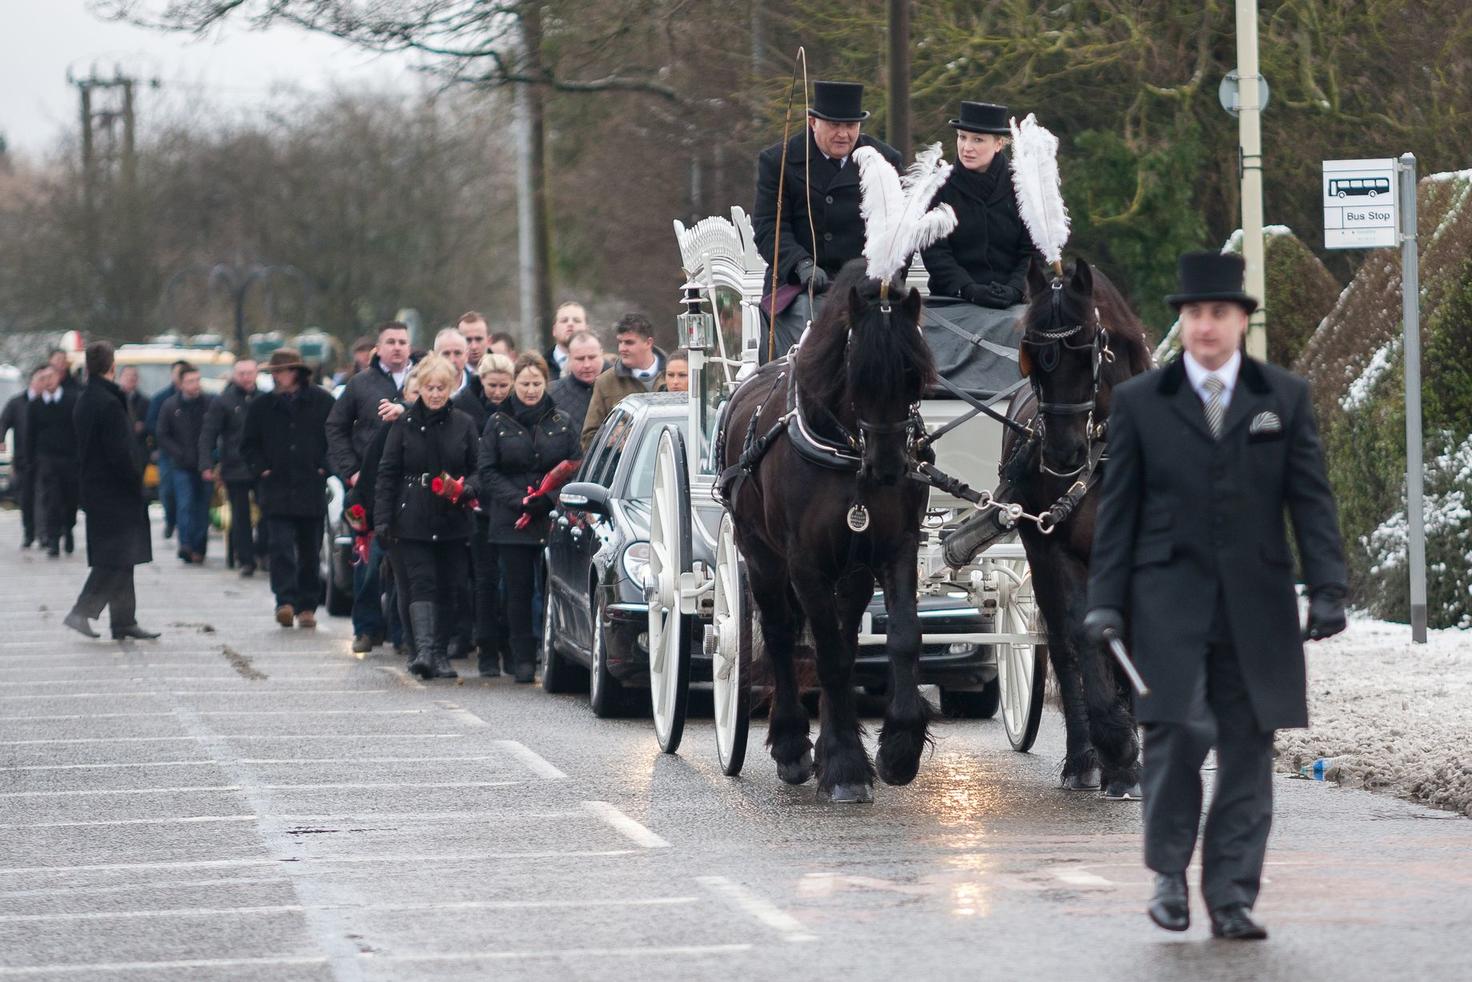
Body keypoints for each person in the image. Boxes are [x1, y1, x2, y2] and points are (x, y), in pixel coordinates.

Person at [1084, 251, 1348, 941]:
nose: (1207, 326)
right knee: (1177, 736)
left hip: (1257, 606)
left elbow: (1311, 502)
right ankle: (1169, 876)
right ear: (1182, 319)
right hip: (1165, 600)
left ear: (1240, 322)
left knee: (1247, 750)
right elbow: (1118, 513)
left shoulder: (1283, 399)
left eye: (1220, 313)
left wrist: (1328, 588)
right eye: (1196, 313)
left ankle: (1231, 896)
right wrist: (1105, 600)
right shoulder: (1142, 403)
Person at [752, 80, 903, 358]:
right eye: (834, 125)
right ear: (812, 122)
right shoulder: (779, 161)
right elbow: (769, 228)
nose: (843, 134)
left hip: (866, 281)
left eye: (851, 126)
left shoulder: (885, 161)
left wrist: (881, 271)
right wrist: (801, 264)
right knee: (810, 324)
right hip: (803, 284)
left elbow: (898, 227)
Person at [374, 354, 481, 680]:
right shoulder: (404, 425)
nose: (435, 394)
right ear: (419, 388)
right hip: (412, 516)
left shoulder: (464, 423)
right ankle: (423, 651)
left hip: (451, 516)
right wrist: (382, 519)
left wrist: (467, 489)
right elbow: (387, 472)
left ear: (450, 388)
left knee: (450, 586)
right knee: (421, 583)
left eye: (441, 388)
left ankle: (440, 653)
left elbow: (478, 469)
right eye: (429, 388)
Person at [479, 352, 578, 683]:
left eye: (537, 383)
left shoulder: (562, 421)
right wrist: (518, 500)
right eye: (525, 384)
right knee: (518, 590)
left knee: (551, 585)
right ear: (514, 385)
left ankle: (552, 648)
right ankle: (522, 653)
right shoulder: (497, 422)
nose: (532, 390)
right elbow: (488, 471)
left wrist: (547, 498)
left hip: (549, 515)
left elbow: (573, 465)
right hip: (511, 518)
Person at [327, 321, 414, 651]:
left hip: (407, 489)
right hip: (368, 488)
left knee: (403, 564)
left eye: (402, 342)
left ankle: (401, 632)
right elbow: (335, 427)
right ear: (378, 348)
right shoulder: (360, 384)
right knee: (368, 564)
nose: (397, 347)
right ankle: (366, 628)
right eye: (390, 341)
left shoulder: (420, 381)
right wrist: (350, 471)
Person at [64, 342, 159, 641]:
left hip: (97, 489)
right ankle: (82, 610)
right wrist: (135, 480)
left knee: (123, 555)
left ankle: (124, 620)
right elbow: (121, 452)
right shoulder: (108, 402)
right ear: (112, 366)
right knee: (114, 557)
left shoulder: (87, 399)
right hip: (115, 492)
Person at [241, 348, 335, 629]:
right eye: (273, 372)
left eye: (281, 371)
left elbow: (337, 436)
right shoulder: (261, 406)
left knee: (310, 549)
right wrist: (261, 468)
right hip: (277, 487)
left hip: (310, 486)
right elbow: (248, 444)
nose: (276, 377)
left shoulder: (322, 402)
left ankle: (307, 606)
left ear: (296, 372)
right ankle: (285, 601)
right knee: (280, 547)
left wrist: (324, 466)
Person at [920, 101, 1037, 308]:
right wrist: (967, 288)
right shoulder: (939, 186)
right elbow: (936, 252)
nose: (967, 147)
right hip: (952, 301)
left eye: (978, 140)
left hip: (1013, 302)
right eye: (962, 137)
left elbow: (1032, 252)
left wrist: (1016, 289)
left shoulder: (1022, 187)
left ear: (999, 144)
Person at [454, 353, 515, 676]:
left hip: (509, 506)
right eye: (493, 385)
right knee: (485, 582)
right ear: (482, 383)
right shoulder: (465, 408)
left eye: (504, 386)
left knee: (511, 583)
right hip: (479, 506)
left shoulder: (517, 409)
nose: (498, 392)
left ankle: (511, 647)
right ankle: (487, 649)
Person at [200, 358, 264, 577]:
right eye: (242, 373)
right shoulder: (224, 401)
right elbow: (209, 433)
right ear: (235, 376)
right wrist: (207, 463)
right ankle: (245, 559)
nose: (246, 377)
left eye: (250, 373)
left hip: (262, 465)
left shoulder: (264, 399)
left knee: (267, 509)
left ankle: (263, 551)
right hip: (234, 465)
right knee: (240, 515)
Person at [580, 314, 666, 451]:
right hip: (627, 469)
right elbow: (588, 439)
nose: (622, 349)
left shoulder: (675, 373)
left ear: (648, 343)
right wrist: (614, 436)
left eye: (629, 342)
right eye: (620, 342)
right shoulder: (605, 382)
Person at [157, 364, 212, 564]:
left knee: (202, 506)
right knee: (185, 504)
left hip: (205, 464)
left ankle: (199, 546)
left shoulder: (209, 403)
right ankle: (186, 544)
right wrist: (178, 453)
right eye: (190, 381)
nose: (195, 385)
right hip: (182, 465)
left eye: (197, 380)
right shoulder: (171, 405)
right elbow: (162, 434)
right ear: (180, 384)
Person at [26, 363, 80, 557]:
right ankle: (53, 539)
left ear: (58, 378)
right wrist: (30, 460)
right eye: (44, 378)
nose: (48, 381)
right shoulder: (35, 406)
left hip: (69, 458)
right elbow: (30, 435)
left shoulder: (72, 401)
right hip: (46, 459)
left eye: (51, 377)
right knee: (51, 500)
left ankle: (69, 528)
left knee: (70, 498)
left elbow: (78, 431)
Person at [0, 365, 45, 548]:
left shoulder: (47, 403)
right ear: (32, 381)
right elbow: (4, 422)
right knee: (26, 497)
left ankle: (44, 534)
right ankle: (29, 532)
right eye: (40, 379)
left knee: (44, 497)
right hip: (23, 458)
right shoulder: (17, 402)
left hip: (44, 457)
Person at [146, 360, 189, 540]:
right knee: (168, 491)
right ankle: (170, 519)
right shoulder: (161, 398)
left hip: (187, 454)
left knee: (185, 495)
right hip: (167, 453)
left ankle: (182, 526)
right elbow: (152, 425)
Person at [548, 329, 603, 433]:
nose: (587, 365)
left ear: (601, 354)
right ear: (569, 359)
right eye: (580, 359)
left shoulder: (618, 388)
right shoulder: (551, 394)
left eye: (592, 357)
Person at [543, 301, 587, 380]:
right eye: (564, 321)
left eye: (576, 321)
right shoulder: (540, 367)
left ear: (586, 329)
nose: (570, 324)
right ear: (554, 330)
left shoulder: (601, 368)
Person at [456, 312, 490, 394]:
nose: (474, 346)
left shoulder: (502, 372)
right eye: (468, 340)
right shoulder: (450, 375)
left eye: (478, 339)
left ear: (489, 340)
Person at [434, 328, 470, 395]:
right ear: (435, 356)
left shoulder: (478, 387)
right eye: (446, 354)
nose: (452, 360)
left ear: (466, 356)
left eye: (457, 353)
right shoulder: (425, 388)